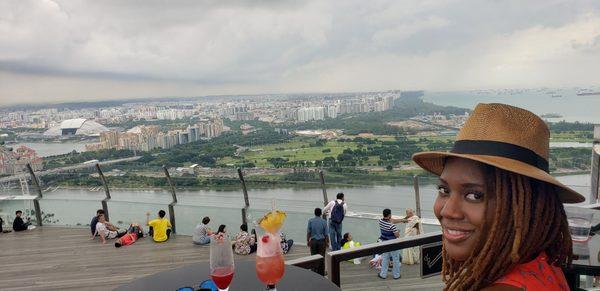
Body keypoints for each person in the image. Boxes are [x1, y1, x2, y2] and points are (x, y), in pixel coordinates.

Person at [411, 103, 584, 290]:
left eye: (475, 195)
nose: (448, 211)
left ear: (527, 209)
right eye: (444, 190)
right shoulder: (538, 260)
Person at [378, 208, 401, 280]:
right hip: (393, 244)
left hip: (384, 243)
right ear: (390, 215)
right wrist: (398, 231)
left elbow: (390, 222)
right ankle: (396, 275)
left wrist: (403, 220)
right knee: (396, 259)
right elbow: (397, 235)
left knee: (385, 258)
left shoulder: (380, 221)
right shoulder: (392, 226)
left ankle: (383, 274)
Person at [307, 207, 328, 275]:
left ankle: (314, 271)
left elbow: (309, 232)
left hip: (313, 241)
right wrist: (327, 242)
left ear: (314, 213)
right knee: (322, 257)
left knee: (313, 257)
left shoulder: (310, 221)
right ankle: (321, 272)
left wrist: (308, 241)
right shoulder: (324, 222)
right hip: (322, 242)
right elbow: (326, 234)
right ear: (321, 214)